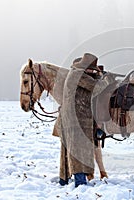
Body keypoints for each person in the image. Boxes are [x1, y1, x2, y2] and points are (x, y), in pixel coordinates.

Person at [58, 53, 102, 187]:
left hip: (72, 118)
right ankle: (80, 182)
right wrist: (102, 78)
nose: (92, 71)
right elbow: (97, 87)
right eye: (91, 69)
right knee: (78, 149)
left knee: (69, 150)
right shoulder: (78, 75)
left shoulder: (76, 73)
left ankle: (64, 180)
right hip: (76, 119)